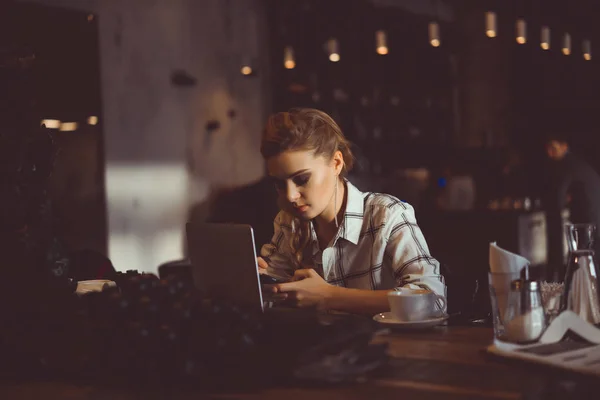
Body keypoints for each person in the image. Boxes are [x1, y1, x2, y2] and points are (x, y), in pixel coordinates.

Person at [256, 108, 446, 315]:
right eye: (279, 184)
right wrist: (260, 283)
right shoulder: (288, 222)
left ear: (336, 163)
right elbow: (269, 301)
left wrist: (329, 296)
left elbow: (433, 301)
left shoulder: (387, 215)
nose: (290, 196)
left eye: (302, 179)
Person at [543, 132, 600, 278]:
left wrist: (561, 203)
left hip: (588, 217)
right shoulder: (577, 162)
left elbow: (559, 196)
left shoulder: (567, 165)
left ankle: (580, 293)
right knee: (590, 258)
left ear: (564, 146)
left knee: (583, 258)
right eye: (548, 149)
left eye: (553, 148)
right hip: (592, 214)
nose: (550, 153)